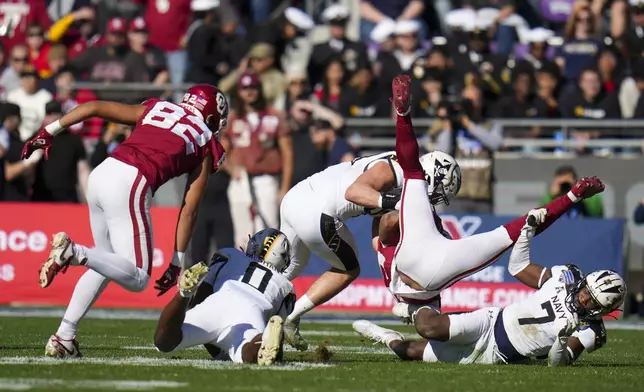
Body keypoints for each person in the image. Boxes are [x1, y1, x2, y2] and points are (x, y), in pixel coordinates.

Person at [374, 75, 605, 338]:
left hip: (410, 258)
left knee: (386, 222)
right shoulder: (427, 204)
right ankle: (414, 305)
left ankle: (405, 299)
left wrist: (403, 115)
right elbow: (531, 223)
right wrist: (572, 196)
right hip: (438, 263)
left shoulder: (414, 186)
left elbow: (409, 158)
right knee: (518, 228)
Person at [20, 84, 229, 358]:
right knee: (139, 276)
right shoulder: (205, 141)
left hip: (102, 173)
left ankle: (64, 336)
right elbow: (189, 209)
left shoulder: (158, 108)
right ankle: (73, 252)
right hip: (131, 181)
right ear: (213, 118)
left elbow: (94, 107)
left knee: (104, 261)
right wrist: (177, 261)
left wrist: (49, 131)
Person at [355, 208, 627, 365]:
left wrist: (563, 339)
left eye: (592, 301)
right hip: (491, 321)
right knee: (430, 328)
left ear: (604, 310)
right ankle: (414, 311)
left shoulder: (591, 330)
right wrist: (527, 233)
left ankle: (384, 335)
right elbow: (518, 268)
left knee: (410, 352)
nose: (583, 300)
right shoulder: (565, 278)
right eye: (585, 292)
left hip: (498, 354)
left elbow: (559, 364)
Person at [154, 228, 293, 366]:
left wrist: (211, 340)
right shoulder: (286, 286)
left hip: (220, 301)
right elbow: (278, 347)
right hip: (252, 311)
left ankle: (183, 294)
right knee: (249, 353)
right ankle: (260, 340)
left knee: (163, 342)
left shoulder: (229, 255)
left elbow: (200, 299)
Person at [222, 73, 292, 249]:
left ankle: (268, 273)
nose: (249, 92)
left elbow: (287, 153)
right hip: (240, 180)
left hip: (266, 178)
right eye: (245, 88)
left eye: (252, 87)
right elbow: (220, 152)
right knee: (242, 233)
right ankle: (244, 273)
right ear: (239, 92)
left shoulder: (274, 116)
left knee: (268, 229)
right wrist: (231, 168)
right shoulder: (233, 119)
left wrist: (284, 187)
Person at [30, 100, 89, 203]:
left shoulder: (74, 139)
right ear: (45, 117)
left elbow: (82, 170)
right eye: (50, 114)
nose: (54, 118)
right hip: (41, 195)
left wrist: (87, 198)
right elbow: (28, 166)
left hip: (68, 196)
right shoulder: (37, 138)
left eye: (57, 114)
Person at [6, 64, 53, 141]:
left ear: (37, 79)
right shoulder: (12, 96)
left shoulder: (46, 97)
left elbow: (48, 123)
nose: (27, 80)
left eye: (30, 77)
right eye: (24, 77)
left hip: (38, 139)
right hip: (15, 139)